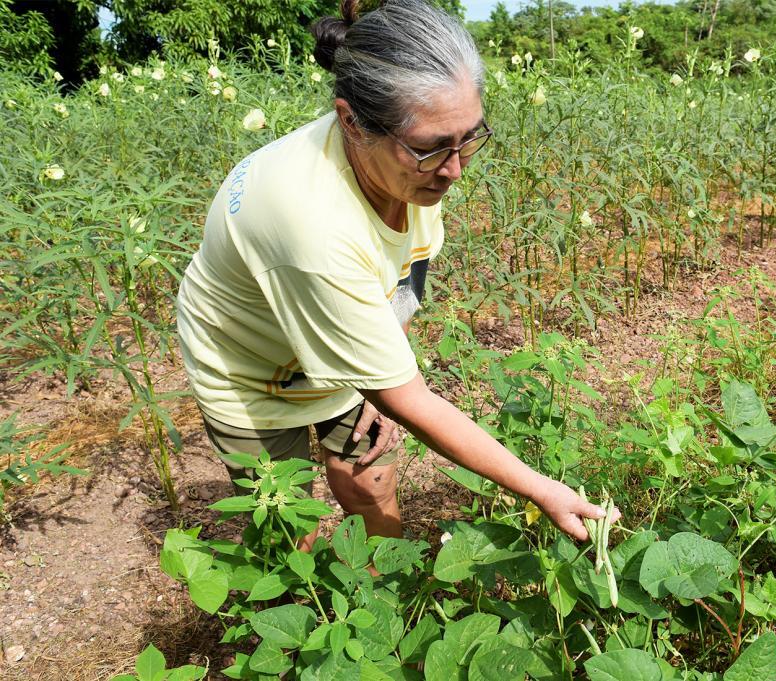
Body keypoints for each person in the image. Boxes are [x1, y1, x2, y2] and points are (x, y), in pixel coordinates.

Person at [176, 0, 616, 547]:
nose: (455, 170)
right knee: (290, 527)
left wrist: (373, 384)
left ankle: (383, 600)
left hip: (333, 320)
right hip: (252, 367)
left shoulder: (412, 166)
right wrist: (543, 489)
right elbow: (409, 400)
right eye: (432, 149)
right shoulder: (312, 223)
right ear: (350, 121)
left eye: (469, 138)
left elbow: (401, 283)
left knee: (370, 479)